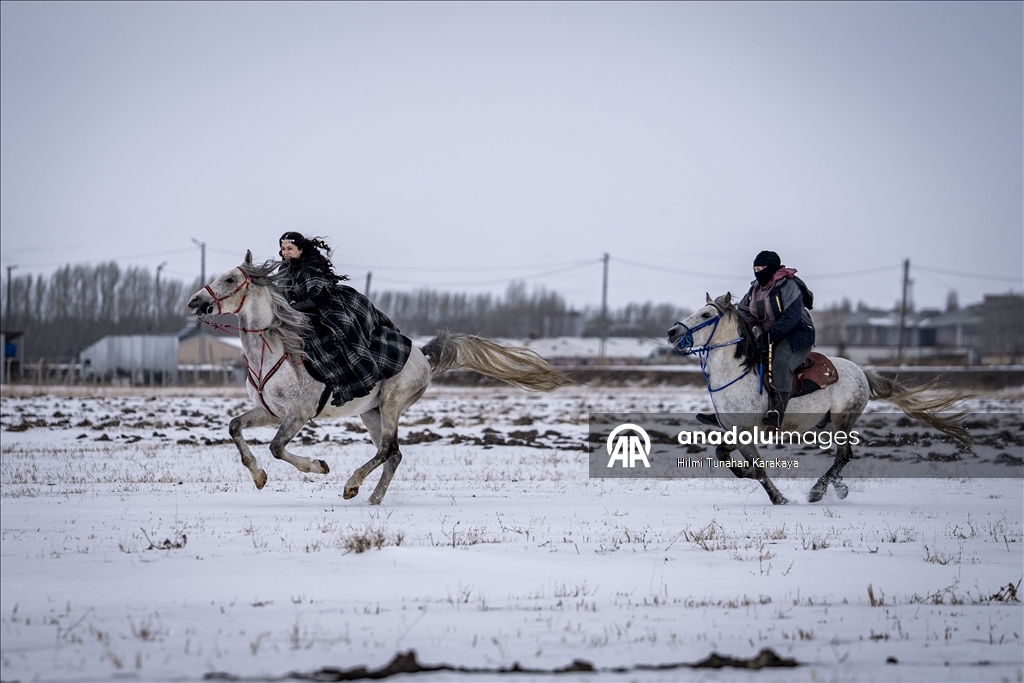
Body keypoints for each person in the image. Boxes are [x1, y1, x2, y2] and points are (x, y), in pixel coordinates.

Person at [277, 232, 412, 406]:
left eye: (290, 249)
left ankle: (347, 383)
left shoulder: (310, 268)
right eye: (283, 249)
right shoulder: (283, 270)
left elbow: (318, 298)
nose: (286, 252)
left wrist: (293, 308)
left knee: (334, 340)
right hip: (298, 314)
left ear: (301, 250)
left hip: (324, 310)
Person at [737, 250, 815, 427]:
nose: (757, 272)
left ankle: (777, 414)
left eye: (761, 268)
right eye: (754, 268)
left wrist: (770, 334)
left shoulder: (788, 285)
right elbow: (743, 311)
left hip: (797, 335)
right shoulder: (755, 289)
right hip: (767, 337)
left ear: (771, 268)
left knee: (780, 364)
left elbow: (792, 316)